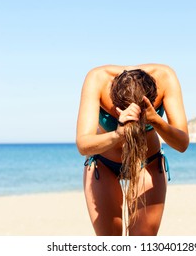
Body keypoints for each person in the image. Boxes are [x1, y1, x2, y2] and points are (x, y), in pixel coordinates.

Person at [76, 63, 189, 236]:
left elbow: (182, 144)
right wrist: (118, 133)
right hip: (104, 165)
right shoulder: (97, 79)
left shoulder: (165, 77)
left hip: (147, 163)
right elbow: (83, 145)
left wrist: (155, 120)